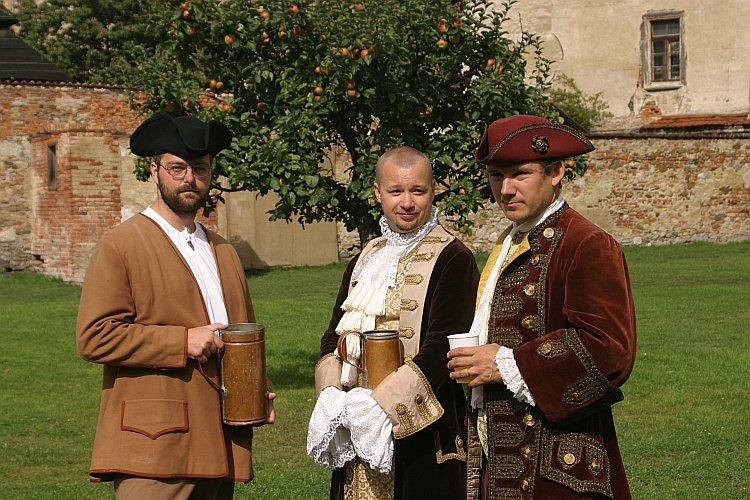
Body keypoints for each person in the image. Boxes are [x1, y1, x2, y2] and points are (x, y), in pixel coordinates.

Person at [76, 113, 276, 499]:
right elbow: (94, 338)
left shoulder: (223, 250)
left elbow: (244, 336)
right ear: (154, 172)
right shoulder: (121, 244)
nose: (189, 179)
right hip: (153, 445)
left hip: (221, 438)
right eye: (177, 168)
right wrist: (182, 341)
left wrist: (257, 386)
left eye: (199, 169)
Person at [447, 115, 636, 499]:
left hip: (554, 466)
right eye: (496, 176)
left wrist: (504, 364)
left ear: (556, 172)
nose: (505, 189)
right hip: (496, 452)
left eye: (520, 174)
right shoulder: (509, 242)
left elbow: (610, 350)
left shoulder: (586, 243)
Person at [307, 146, 480, 499]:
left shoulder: (454, 257)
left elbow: (441, 346)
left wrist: (379, 406)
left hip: (422, 434)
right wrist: (330, 395)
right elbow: (333, 335)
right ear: (377, 193)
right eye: (396, 191)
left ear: (433, 191)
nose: (407, 202)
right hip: (356, 422)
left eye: (418, 191)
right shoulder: (366, 257)